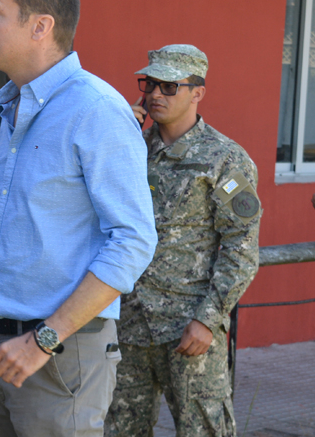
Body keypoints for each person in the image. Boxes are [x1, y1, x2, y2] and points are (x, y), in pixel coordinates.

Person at [0, 0, 157, 437]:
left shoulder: (96, 111)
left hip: (60, 355)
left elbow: (133, 242)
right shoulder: (12, 105)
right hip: (4, 348)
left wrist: (42, 340)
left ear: (40, 26)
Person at [105, 45, 261, 437]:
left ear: (197, 92)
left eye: (170, 86)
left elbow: (241, 250)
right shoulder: (130, 148)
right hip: (128, 322)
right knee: (118, 429)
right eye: (150, 84)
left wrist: (208, 320)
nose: (155, 94)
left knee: (204, 430)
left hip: (187, 329)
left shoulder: (224, 160)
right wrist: (118, 132)